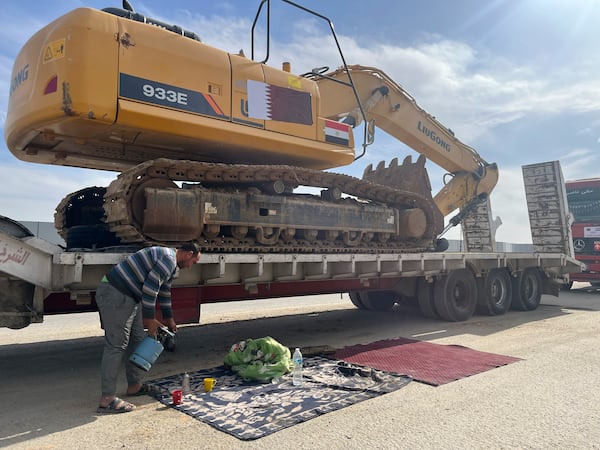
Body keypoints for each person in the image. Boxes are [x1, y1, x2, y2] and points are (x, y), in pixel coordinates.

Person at [95, 243, 200, 414]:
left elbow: (164, 292)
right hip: (115, 293)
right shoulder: (168, 259)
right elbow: (150, 290)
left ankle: (134, 386)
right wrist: (150, 320)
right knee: (116, 345)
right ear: (188, 254)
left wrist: (169, 319)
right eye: (193, 262)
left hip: (130, 297)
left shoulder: (172, 267)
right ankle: (107, 399)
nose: (191, 266)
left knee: (137, 339)